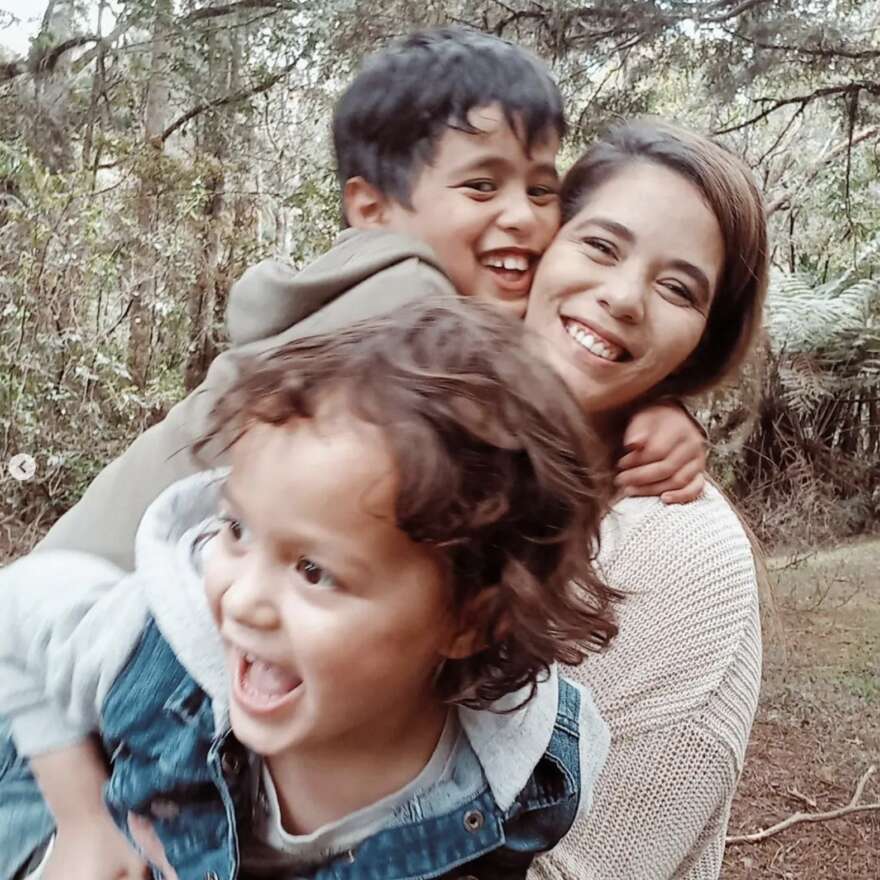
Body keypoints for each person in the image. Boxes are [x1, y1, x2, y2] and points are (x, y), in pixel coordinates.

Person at [33, 27, 707, 574]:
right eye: (480, 188)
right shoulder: (406, 301)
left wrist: (657, 403)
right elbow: (541, 399)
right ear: (371, 206)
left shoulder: (381, 291)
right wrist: (653, 406)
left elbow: (558, 358)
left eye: (539, 190)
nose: (524, 219)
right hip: (81, 625)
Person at [0, 299, 618, 880]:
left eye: (313, 572)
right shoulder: (158, 646)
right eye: (237, 530)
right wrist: (79, 821)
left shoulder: (527, 773)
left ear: (470, 621)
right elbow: (17, 607)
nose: (242, 600)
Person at [522, 119, 769, 879]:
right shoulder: (425, 422)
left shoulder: (681, 552)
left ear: (703, 340)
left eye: (677, 288)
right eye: (599, 245)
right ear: (540, 246)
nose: (624, 297)